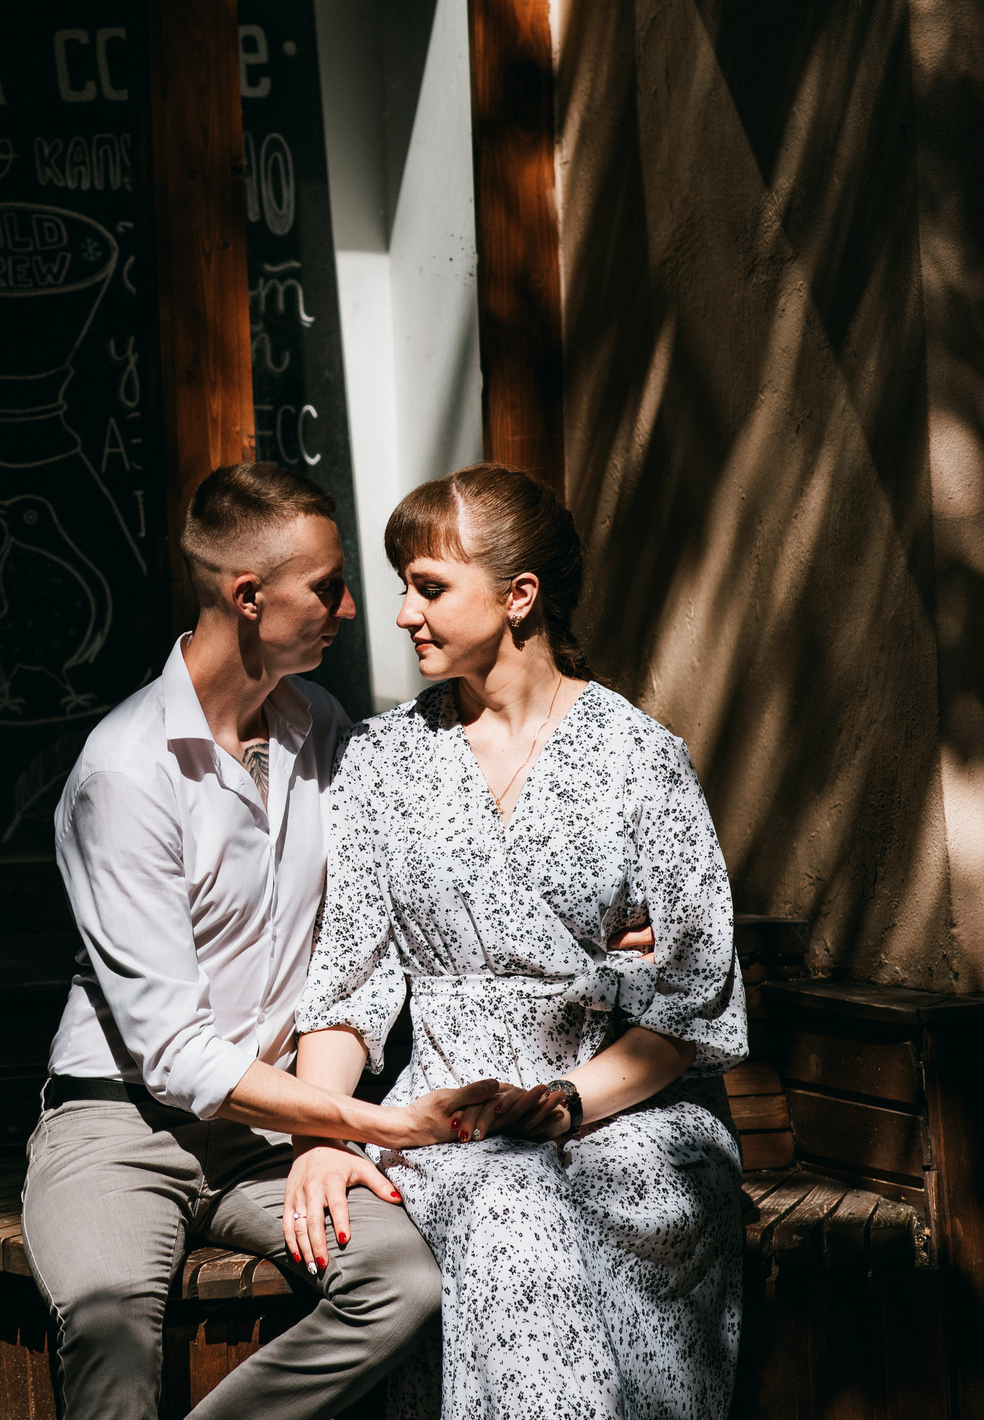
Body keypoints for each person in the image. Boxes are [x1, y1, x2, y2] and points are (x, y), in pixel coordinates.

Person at [22, 462, 527, 1420]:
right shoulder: (124, 775)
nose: (351, 609)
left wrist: (603, 916)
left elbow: (421, 854)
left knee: (406, 1284)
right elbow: (171, 1054)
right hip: (120, 1122)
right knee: (109, 1329)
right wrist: (374, 1124)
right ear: (249, 597)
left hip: (269, 1127)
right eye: (329, 587)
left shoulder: (319, 726)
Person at [285, 464, 750, 1420]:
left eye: (429, 586)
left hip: (622, 1106)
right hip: (447, 1116)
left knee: (584, 1188)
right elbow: (350, 981)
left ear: (518, 596)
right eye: (401, 585)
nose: (404, 612)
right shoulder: (380, 760)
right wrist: (324, 1134)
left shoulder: (639, 755)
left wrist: (569, 1103)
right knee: (508, 1206)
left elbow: (694, 996)